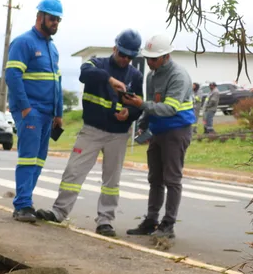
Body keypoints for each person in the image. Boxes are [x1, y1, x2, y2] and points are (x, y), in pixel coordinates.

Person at [35, 29, 144, 237]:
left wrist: (129, 113)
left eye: (130, 57)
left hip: (118, 135)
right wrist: (109, 80)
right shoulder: (97, 64)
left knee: (111, 181)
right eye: (122, 54)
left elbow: (139, 106)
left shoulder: (135, 76)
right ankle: (59, 212)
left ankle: (105, 221)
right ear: (114, 48)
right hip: (91, 131)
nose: (125, 59)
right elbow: (85, 73)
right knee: (73, 171)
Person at [123, 33, 197, 239]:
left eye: (154, 59)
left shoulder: (178, 76)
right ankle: (151, 221)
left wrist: (141, 105)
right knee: (155, 178)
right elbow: (151, 104)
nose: (150, 62)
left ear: (166, 56)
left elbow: (169, 109)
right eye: (148, 58)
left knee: (172, 179)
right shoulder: (151, 76)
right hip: (158, 130)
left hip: (176, 130)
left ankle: (168, 225)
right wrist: (143, 123)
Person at [4, 0, 65, 223]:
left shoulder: (52, 48)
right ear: (40, 17)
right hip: (31, 111)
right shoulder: (24, 42)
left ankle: (26, 201)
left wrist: (58, 113)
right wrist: (25, 108)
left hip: (48, 114)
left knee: (38, 160)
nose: (55, 23)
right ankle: (22, 205)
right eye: (52, 18)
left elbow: (57, 82)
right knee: (28, 158)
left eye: (58, 19)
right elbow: (12, 76)